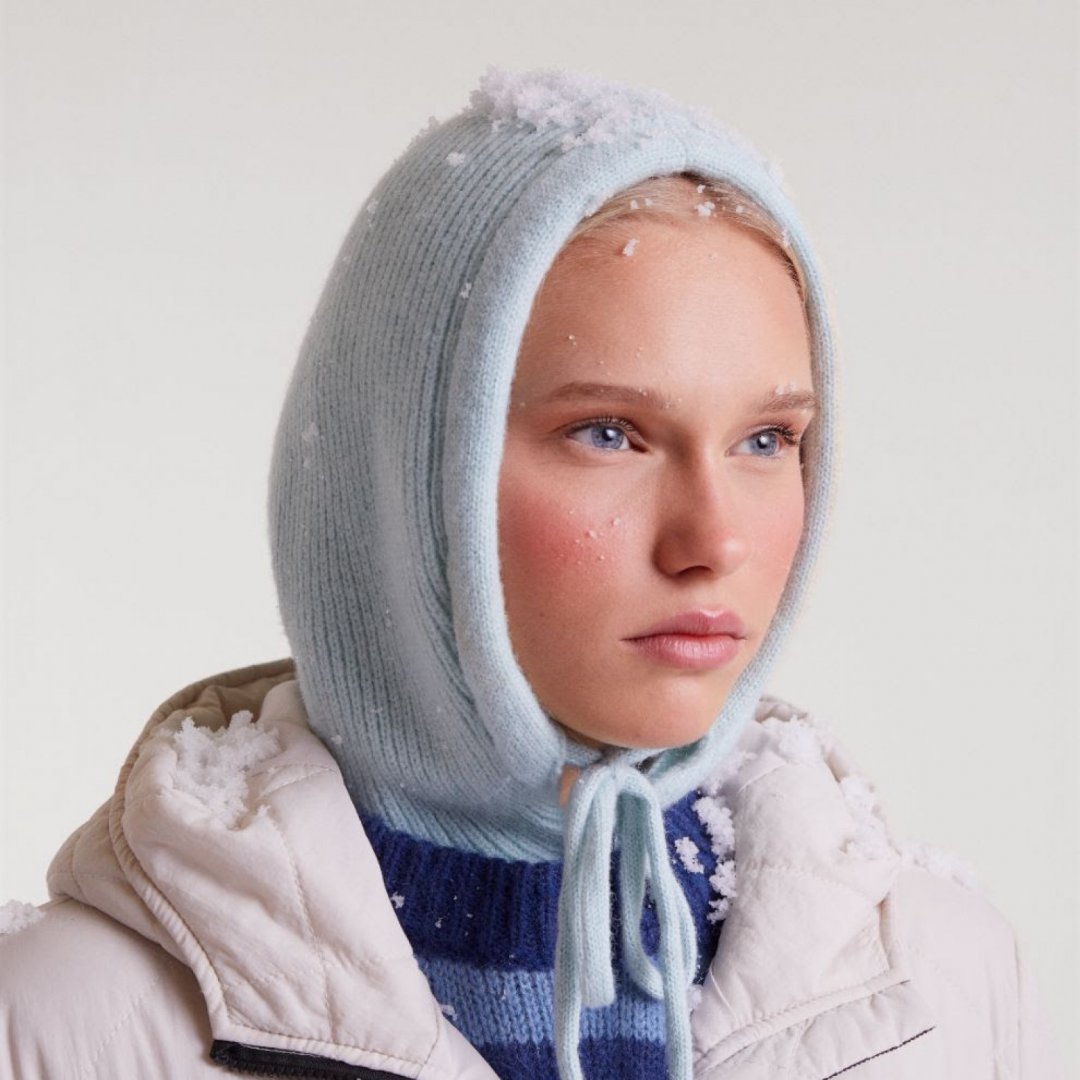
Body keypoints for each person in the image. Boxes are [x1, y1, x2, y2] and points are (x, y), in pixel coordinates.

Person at [0, 66, 1062, 1080]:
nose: (714, 540)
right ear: (409, 472)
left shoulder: (946, 983)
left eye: (766, 439)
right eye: (608, 433)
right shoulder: (62, 1024)